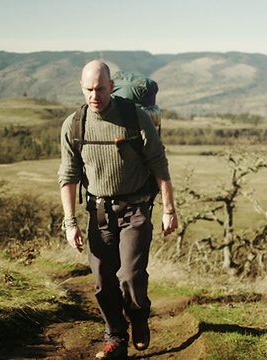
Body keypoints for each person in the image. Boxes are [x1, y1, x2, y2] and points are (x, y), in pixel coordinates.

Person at [58, 60, 178, 359]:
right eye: (88, 89)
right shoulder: (74, 125)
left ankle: (138, 317)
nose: (94, 96)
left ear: (112, 86)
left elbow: (158, 164)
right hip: (98, 212)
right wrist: (70, 222)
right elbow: (68, 177)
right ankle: (115, 337)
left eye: (100, 89)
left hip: (135, 209)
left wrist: (169, 210)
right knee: (102, 281)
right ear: (81, 88)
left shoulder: (136, 119)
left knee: (130, 275)